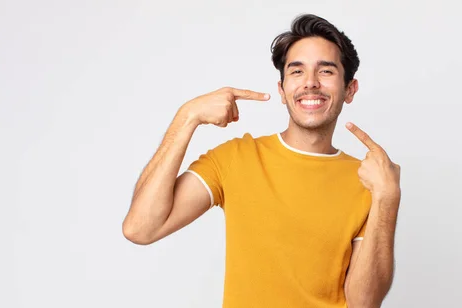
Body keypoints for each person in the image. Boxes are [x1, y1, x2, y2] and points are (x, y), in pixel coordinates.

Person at [122, 13, 401, 308]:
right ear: (282, 90)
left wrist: (387, 198)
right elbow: (140, 228)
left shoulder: (369, 180)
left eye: (326, 71)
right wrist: (187, 116)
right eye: (296, 72)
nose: (310, 83)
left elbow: (364, 303)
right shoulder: (236, 158)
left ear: (349, 89)